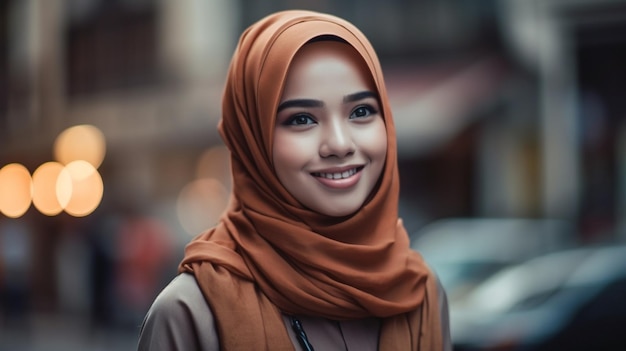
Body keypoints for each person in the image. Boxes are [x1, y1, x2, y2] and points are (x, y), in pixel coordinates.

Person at [137, 9, 451, 350]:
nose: (340, 145)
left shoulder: (421, 294)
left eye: (361, 112)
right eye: (302, 119)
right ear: (251, 141)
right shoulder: (191, 313)